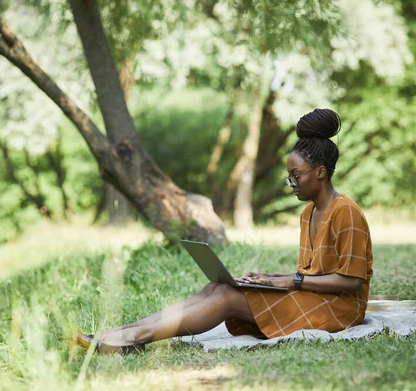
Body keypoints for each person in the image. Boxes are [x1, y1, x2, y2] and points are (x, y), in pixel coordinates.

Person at [74, 108, 374, 353]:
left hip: (340, 309)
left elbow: (350, 283)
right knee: (218, 288)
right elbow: (310, 277)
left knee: (227, 299)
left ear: (320, 172)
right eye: (289, 177)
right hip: (315, 299)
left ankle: (132, 340)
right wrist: (271, 280)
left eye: (296, 177)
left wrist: (289, 281)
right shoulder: (309, 213)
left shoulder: (345, 211)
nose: (292, 184)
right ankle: (120, 332)